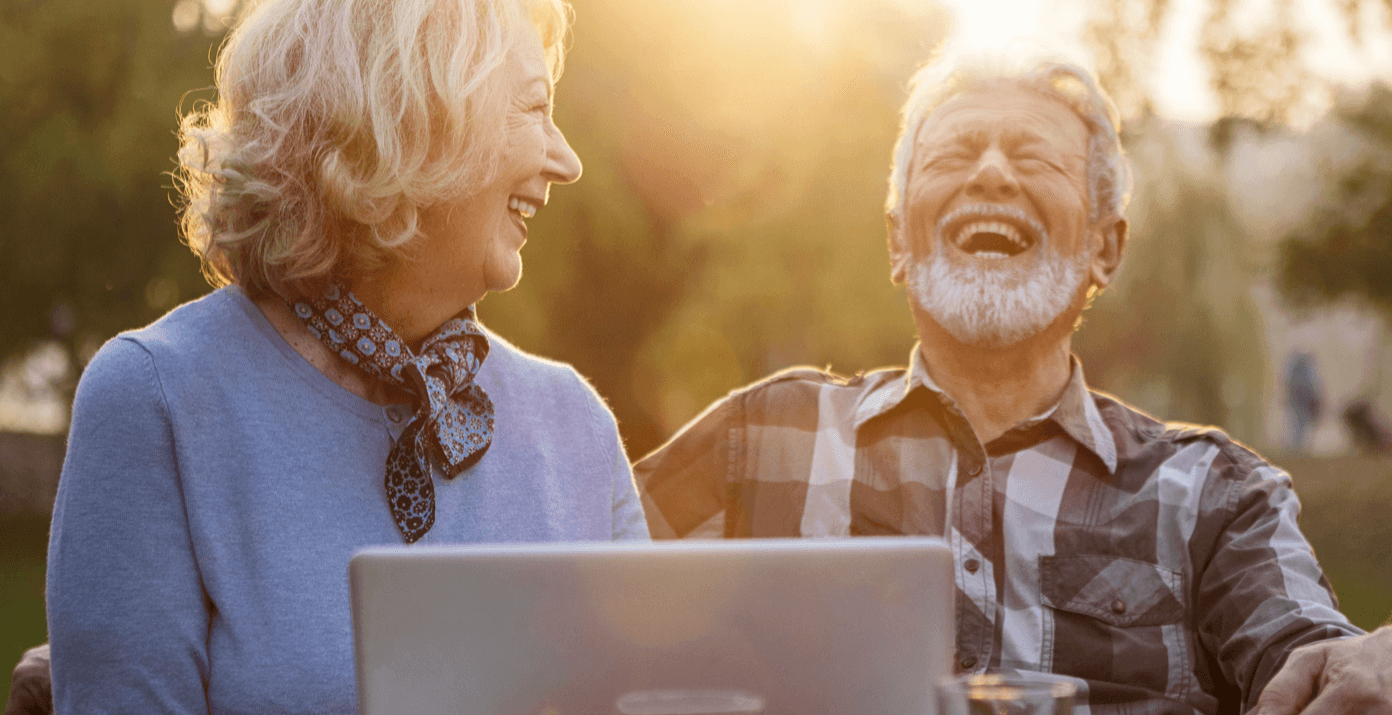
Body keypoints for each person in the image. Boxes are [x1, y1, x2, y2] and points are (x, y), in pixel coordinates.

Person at [634, 45, 1392, 715]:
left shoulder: (1215, 495)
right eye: (954, 155)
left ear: (1105, 248)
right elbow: (546, 593)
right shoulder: (759, 439)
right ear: (899, 240)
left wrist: (1372, 660)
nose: (991, 172)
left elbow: (1320, 663)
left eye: (1033, 157)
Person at [25, 0, 648, 713]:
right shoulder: (157, 400)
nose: (566, 161)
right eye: (534, 108)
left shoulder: (576, 425)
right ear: (412, 120)